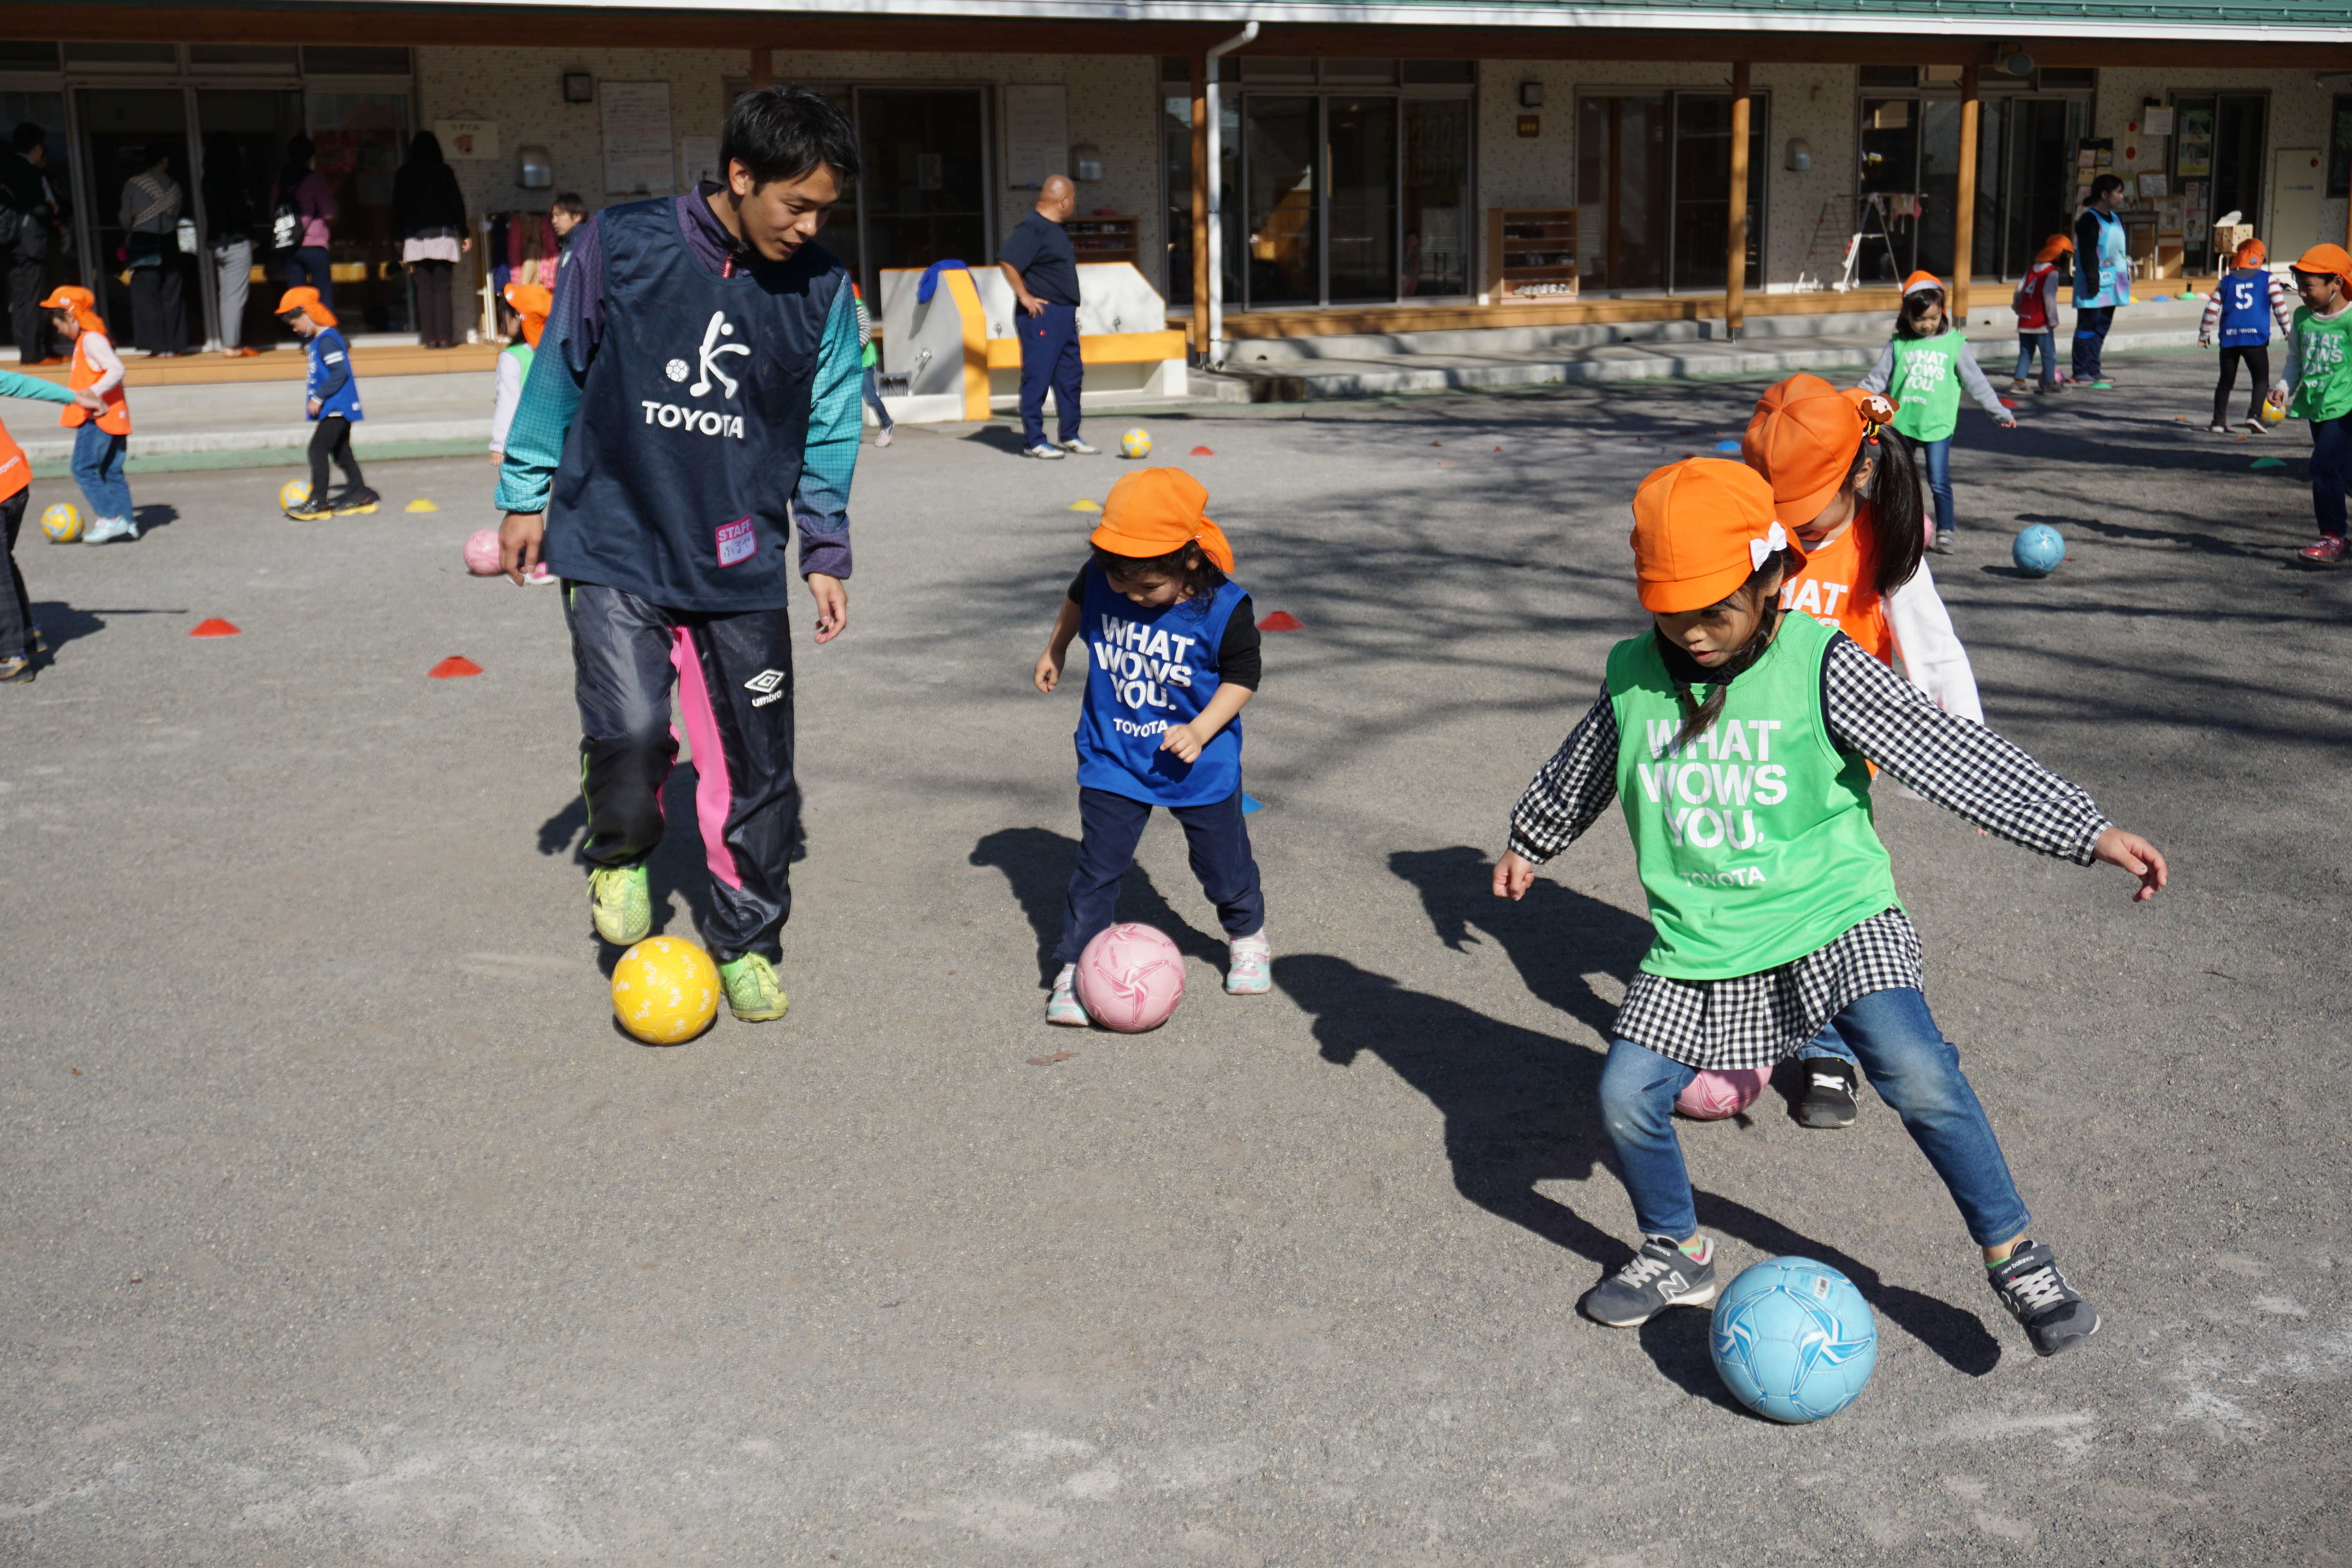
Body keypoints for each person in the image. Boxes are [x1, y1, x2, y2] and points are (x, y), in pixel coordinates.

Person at [1495, 456, 2167, 1357]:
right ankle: (1676, 1248)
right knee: (1625, 1094)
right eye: (1672, 612)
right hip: (1705, 935)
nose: (1692, 634)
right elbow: (1581, 769)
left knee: (1918, 1071)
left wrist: (2084, 829)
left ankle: (2014, 1253)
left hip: (1835, 918)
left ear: (1773, 578)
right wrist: (1532, 838)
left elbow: (1950, 754)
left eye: (1715, 610)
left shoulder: (1823, 665)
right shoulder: (1633, 676)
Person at [494, 83, 864, 1025]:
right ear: (741, 176)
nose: (811, 225)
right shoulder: (618, 246)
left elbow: (828, 431)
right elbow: (560, 368)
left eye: (826, 209)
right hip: (615, 532)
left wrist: (823, 547)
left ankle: (747, 938)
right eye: (797, 204)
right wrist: (524, 493)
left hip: (737, 559)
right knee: (628, 729)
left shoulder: (823, 291)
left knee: (756, 769)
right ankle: (620, 849)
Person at [1742, 373, 1984, 1129]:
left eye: (1807, 525)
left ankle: (1831, 1050)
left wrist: (1967, 764)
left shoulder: (1884, 544)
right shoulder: (1761, 531)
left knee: (1829, 908)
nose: (1794, 537)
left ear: (1860, 474)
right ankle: (1747, 1020)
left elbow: (1935, 653)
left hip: (1838, 760)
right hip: (1753, 750)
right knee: (1752, 891)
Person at [1032, 466, 1267, 1024]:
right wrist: (1057, 649)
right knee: (1098, 866)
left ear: (1189, 560)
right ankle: (1072, 970)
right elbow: (1077, 598)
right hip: (1114, 754)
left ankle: (1248, 936)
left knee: (1222, 865)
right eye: (1122, 584)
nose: (1132, 596)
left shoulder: (1225, 608)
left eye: (1147, 588)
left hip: (1198, 764)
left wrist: (1202, 729)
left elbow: (1243, 677)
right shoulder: (1102, 575)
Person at [1860, 273, 2016, 554]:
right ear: (1906, 315)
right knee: (1896, 479)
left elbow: (1976, 382)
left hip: (1937, 427)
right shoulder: (1898, 344)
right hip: (1902, 425)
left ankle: (1946, 530)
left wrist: (1998, 412)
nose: (1927, 325)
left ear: (1942, 312)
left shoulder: (1954, 344)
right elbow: (1874, 382)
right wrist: (1851, 402)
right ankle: (1891, 527)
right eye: (1920, 319)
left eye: (1933, 318)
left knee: (1939, 482)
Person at [997, 173, 1093, 460]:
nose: (1073, 204)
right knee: (1038, 377)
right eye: (1073, 199)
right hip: (1042, 315)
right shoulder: (1033, 228)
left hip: (1063, 315)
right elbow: (1008, 259)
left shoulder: (1053, 229)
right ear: (1063, 201)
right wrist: (1024, 296)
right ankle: (1034, 441)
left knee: (1070, 376)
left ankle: (1070, 435)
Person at [2269, 244, 2352, 566]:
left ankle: (2332, 537)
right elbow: (2296, 360)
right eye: (2299, 285)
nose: (2302, 293)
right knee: (2345, 472)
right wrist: (2283, 389)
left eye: (2309, 286)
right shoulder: (2303, 318)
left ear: (2336, 283)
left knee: (2322, 467)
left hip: (2346, 410)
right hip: (2316, 406)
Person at [38, 286, 136, 544]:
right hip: (113, 416)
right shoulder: (91, 339)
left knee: (82, 468)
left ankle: (111, 518)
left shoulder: (91, 340)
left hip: (98, 418)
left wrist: (91, 393)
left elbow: (117, 369)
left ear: (70, 316)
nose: (57, 329)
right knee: (111, 472)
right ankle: (127, 522)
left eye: (58, 322)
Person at [0, 363, 76, 683]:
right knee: (3, 564)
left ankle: (11, 654)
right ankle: (29, 632)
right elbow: (20, 384)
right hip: (15, 480)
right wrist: (75, 397)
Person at [276, 286, 372, 519]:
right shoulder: (321, 340)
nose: (293, 326)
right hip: (336, 408)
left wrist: (319, 397)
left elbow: (340, 372)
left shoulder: (327, 340)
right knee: (342, 454)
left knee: (317, 450)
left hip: (337, 408)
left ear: (308, 314)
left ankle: (318, 501)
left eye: (294, 320)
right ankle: (360, 494)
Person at [2200, 237, 2294, 436]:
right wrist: (2287, 330)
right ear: (2259, 258)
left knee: (2226, 380)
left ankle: (2218, 421)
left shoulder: (2225, 281)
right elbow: (2280, 307)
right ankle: (2254, 415)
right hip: (2255, 338)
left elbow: (2212, 308)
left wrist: (2204, 333)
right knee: (2260, 379)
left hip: (2230, 337)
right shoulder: (2268, 279)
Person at [392, 131, 473, 348]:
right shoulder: (444, 172)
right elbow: (458, 205)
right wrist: (464, 233)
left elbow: (397, 209)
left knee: (424, 290)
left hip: (415, 239)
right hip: (443, 237)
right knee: (442, 289)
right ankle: (445, 339)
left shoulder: (405, 173)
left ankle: (430, 339)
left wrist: (398, 238)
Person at [2, 123, 63, 367]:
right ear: (37, 147)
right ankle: (34, 355)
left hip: (11, 244)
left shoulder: (6, 169)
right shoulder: (27, 171)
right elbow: (37, 208)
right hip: (29, 245)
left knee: (20, 299)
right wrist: (52, 209)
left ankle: (31, 351)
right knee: (32, 299)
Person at [120, 145, 188, 356]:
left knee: (146, 295)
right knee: (172, 293)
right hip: (169, 241)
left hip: (143, 242)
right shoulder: (175, 187)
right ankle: (175, 345)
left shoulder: (134, 184)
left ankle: (156, 347)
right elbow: (176, 215)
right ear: (164, 161)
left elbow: (125, 217)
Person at [202, 140, 262, 357]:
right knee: (236, 296)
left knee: (227, 296)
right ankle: (233, 345)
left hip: (218, 245)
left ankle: (230, 344)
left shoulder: (208, 180)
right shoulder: (234, 180)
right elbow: (238, 212)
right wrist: (249, 209)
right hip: (236, 242)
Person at [2071, 173, 2131, 385]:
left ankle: (2094, 368)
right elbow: (2087, 253)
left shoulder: (2116, 219)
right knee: (2088, 326)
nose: (2122, 197)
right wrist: (2093, 280)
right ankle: (2080, 370)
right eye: (2119, 192)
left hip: (2114, 284)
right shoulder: (2088, 219)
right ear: (2105, 194)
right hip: (2094, 282)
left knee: (2102, 327)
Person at [273, 135, 336, 306]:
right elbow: (329, 213)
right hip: (315, 246)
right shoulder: (315, 180)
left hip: (289, 246)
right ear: (311, 157)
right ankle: (325, 333)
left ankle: (303, 333)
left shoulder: (280, 183)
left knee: (298, 300)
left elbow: (273, 213)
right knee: (323, 296)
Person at [2010, 234, 2069, 394]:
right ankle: (2050, 384)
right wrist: (2053, 319)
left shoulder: (2031, 270)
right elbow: (2049, 296)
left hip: (2025, 320)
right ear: (2059, 255)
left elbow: (2019, 290)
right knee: (2049, 354)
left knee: (2026, 354)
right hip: (2041, 322)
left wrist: (2017, 308)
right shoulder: (2052, 272)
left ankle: (2019, 382)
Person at [850, 278, 892, 447]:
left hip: (863, 361)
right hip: (847, 363)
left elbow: (865, 332)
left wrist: (851, 351)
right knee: (850, 400)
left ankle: (887, 424)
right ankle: (850, 434)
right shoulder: (835, 311)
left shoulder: (858, 307)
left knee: (870, 397)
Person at [550, 192, 588, 270]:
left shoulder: (584, 245)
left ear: (577, 217)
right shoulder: (568, 243)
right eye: (553, 216)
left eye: (559, 215)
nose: (554, 221)